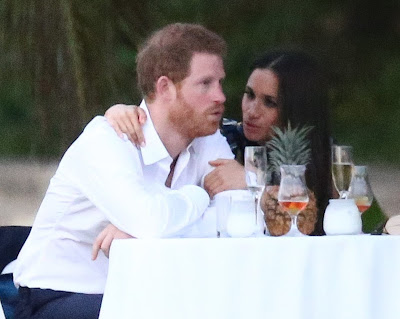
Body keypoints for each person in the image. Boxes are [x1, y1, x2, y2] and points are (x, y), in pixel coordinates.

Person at [13, 23, 234, 319]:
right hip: (59, 295)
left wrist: (154, 231)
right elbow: (151, 221)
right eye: (205, 83)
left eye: (220, 82)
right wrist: (199, 195)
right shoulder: (108, 140)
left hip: (142, 292)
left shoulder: (207, 137)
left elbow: (235, 219)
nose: (220, 96)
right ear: (165, 87)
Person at [104, 50, 332, 235]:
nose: (252, 111)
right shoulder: (225, 136)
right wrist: (123, 112)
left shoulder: (324, 156)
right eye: (249, 95)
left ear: (296, 109)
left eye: (269, 102)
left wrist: (250, 180)